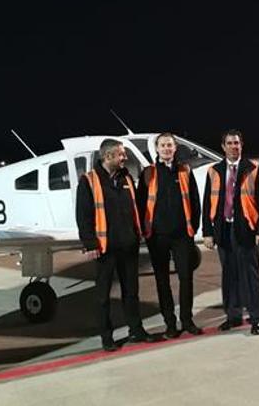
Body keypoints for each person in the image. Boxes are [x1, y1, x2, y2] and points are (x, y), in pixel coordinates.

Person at [76, 138, 160, 351]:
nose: (125, 158)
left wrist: (138, 233)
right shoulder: (89, 181)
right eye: (121, 154)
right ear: (108, 156)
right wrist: (90, 243)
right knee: (103, 296)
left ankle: (136, 330)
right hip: (105, 248)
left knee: (131, 292)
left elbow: (134, 208)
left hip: (128, 246)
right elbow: (83, 216)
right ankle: (107, 337)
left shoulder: (127, 178)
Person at [202, 129, 259, 335]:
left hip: (246, 229)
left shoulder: (254, 169)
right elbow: (208, 203)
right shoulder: (214, 171)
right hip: (223, 229)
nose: (234, 146)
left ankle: (256, 317)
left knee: (249, 274)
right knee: (229, 274)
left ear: (242, 145)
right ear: (223, 147)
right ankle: (233, 316)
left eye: (237, 143)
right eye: (230, 143)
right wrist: (208, 232)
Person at [136, 133, 203, 338]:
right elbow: (139, 205)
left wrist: (193, 228)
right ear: (157, 149)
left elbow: (194, 201)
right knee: (162, 281)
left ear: (175, 149)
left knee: (186, 278)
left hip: (182, 235)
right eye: (163, 145)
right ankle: (170, 324)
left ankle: (187, 320)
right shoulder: (148, 173)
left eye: (170, 145)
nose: (166, 148)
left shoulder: (184, 171)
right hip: (157, 237)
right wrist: (145, 232)